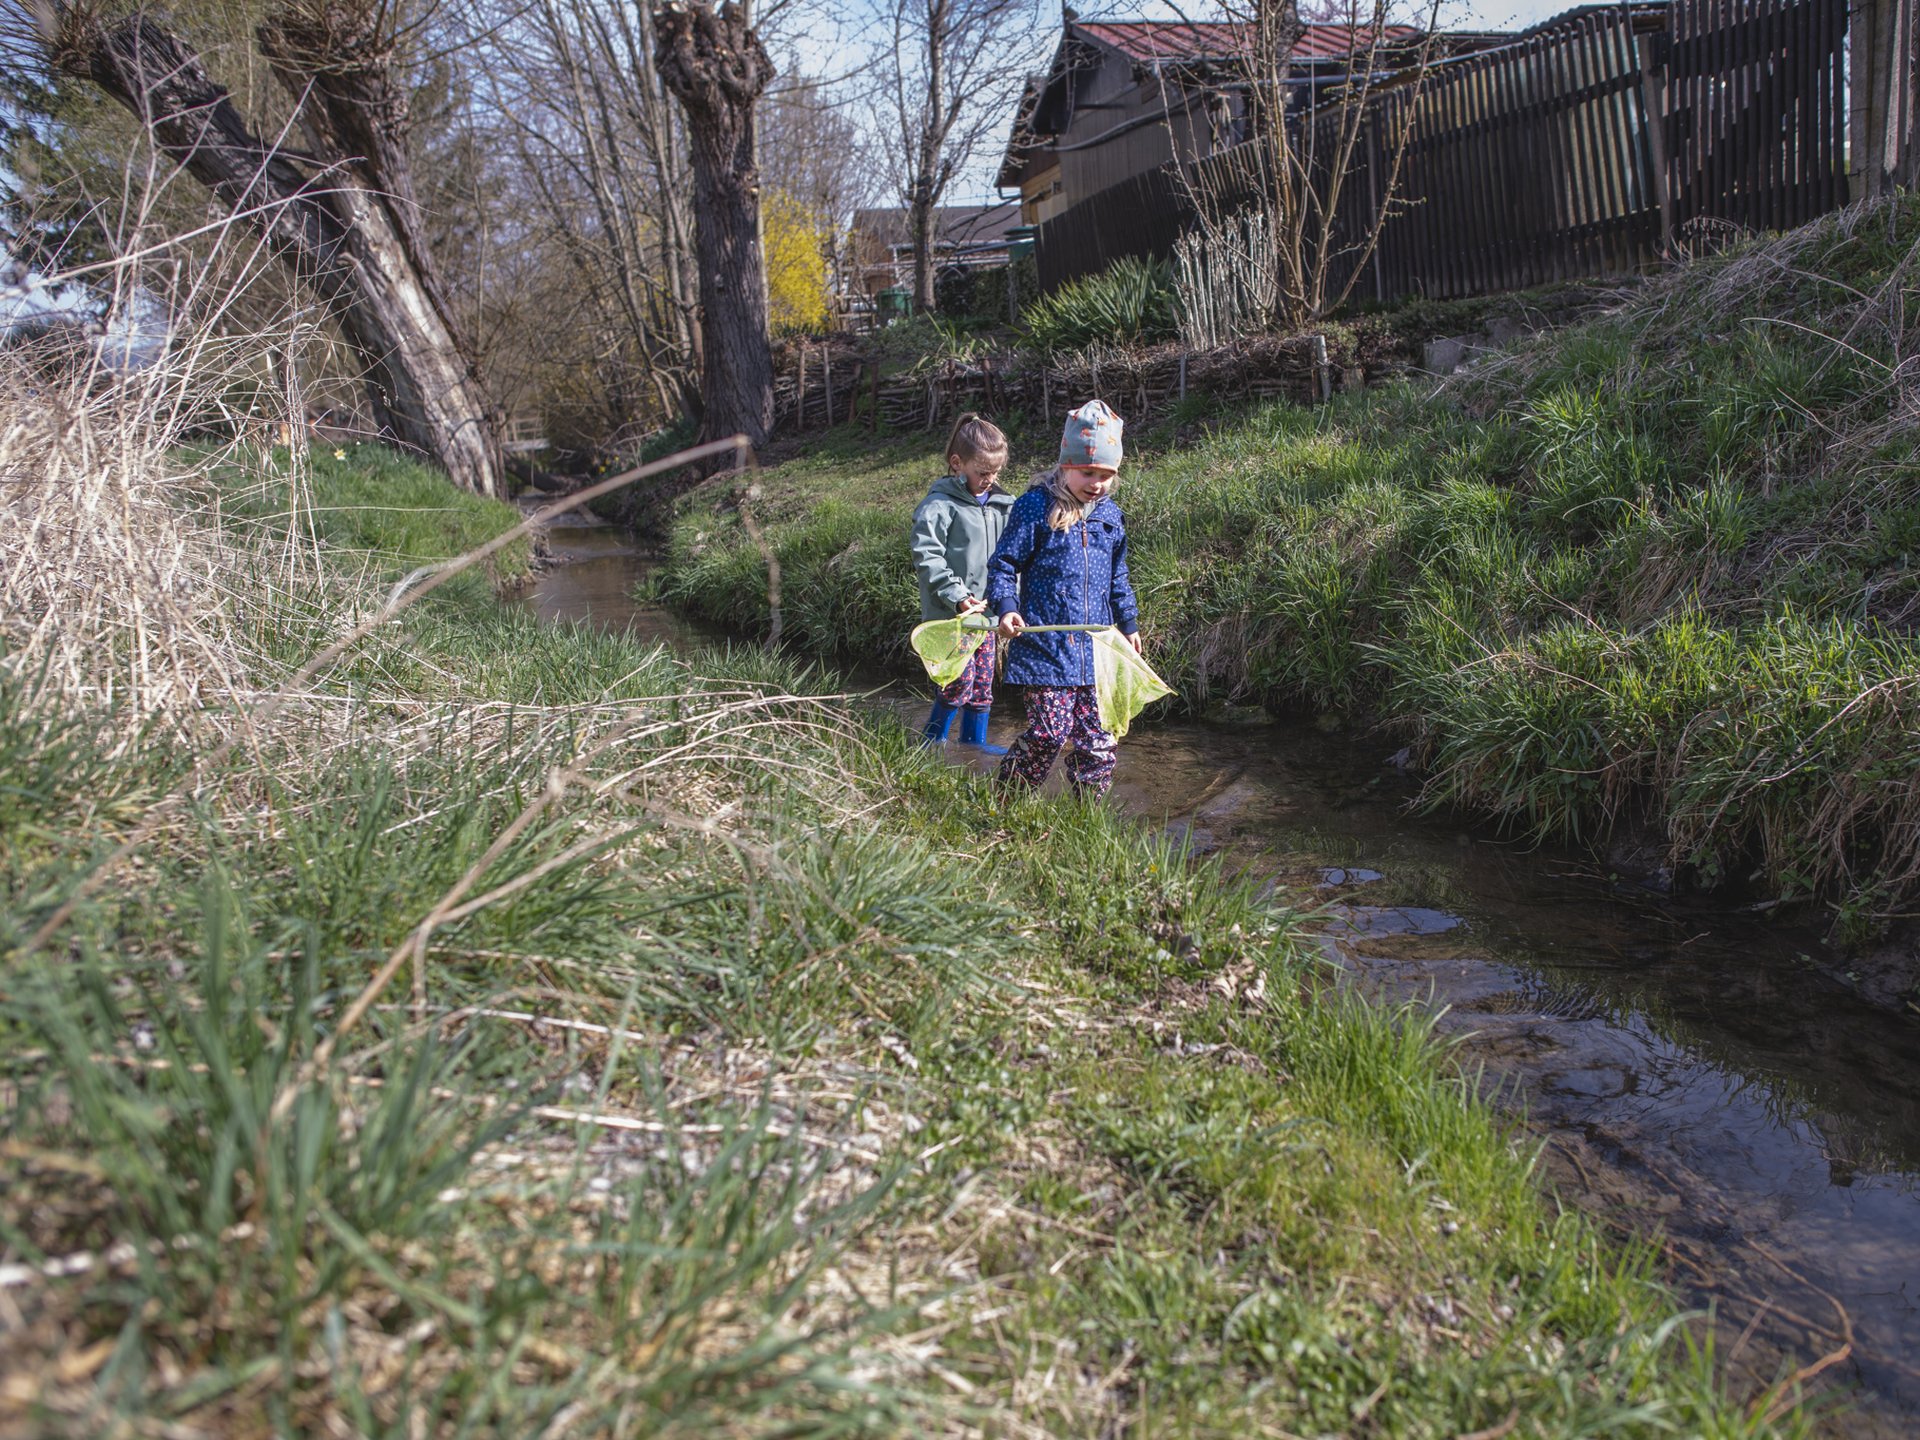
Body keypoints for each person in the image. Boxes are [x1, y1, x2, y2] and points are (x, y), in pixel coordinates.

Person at [986, 399, 1141, 798]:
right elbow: (1003, 564)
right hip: (1045, 648)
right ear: (1065, 464)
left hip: (1096, 650)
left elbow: (1118, 576)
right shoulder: (1036, 507)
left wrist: (1128, 623)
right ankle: (1007, 799)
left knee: (1098, 742)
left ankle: (1088, 816)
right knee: (1049, 734)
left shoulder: (1110, 516)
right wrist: (1006, 608)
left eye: (1106, 475)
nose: (1097, 483)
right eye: (1088, 472)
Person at [909, 411, 1015, 752]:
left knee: (983, 685)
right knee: (958, 683)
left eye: (996, 472)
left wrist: (1010, 601)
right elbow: (927, 555)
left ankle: (973, 745)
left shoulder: (1004, 505)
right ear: (957, 463)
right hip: (952, 618)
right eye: (982, 472)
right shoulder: (939, 505)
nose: (990, 479)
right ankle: (932, 741)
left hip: (988, 618)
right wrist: (957, 596)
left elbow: (1013, 556)